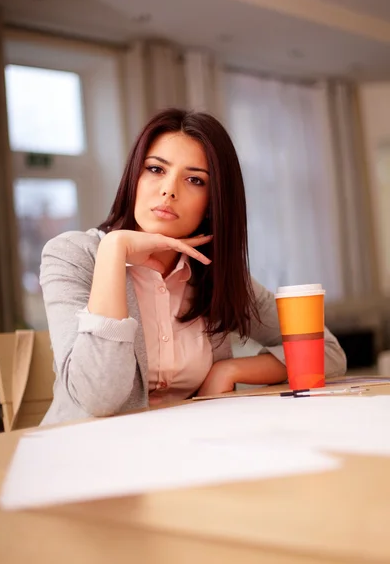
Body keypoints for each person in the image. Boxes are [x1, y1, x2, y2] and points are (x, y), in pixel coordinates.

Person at [39, 108, 346, 425]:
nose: (169, 190)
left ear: (212, 202)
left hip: (187, 454)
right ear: (134, 177)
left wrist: (230, 369)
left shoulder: (214, 273)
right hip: (83, 458)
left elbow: (327, 353)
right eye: (156, 169)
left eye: (194, 179)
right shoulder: (72, 255)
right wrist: (113, 250)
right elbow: (98, 398)